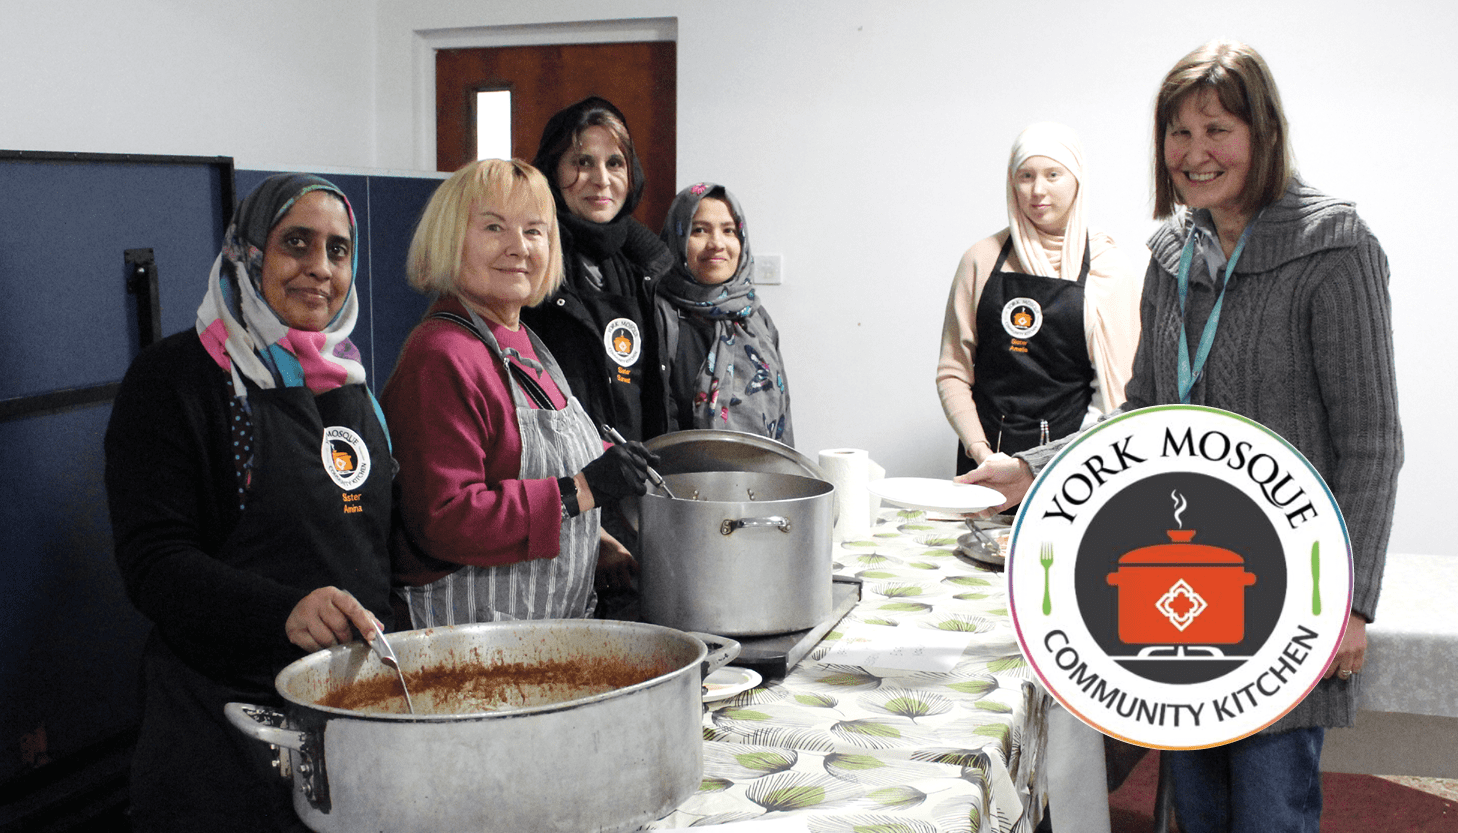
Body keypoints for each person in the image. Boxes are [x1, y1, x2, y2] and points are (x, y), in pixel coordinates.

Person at [962, 40, 1403, 832]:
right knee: (1196, 810)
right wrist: (1028, 469)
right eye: (1178, 133)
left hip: (1291, 593)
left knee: (1270, 811)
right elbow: (1141, 420)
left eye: (1217, 130)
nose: (1195, 154)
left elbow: (1372, 443)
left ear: (1263, 133)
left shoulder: (1334, 248)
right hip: (1184, 592)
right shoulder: (1172, 254)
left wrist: (1353, 601)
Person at [105, 174, 394, 832]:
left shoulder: (351, 384)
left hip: (344, 717)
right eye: (297, 243)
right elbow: (154, 563)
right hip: (219, 734)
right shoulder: (174, 379)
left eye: (339, 250)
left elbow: (371, 542)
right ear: (247, 252)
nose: (320, 267)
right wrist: (284, 611)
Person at [382, 159, 656, 627]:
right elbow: (444, 519)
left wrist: (595, 544)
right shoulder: (441, 355)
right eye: (494, 227)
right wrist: (581, 493)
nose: (519, 248)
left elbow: (543, 468)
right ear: (450, 238)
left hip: (537, 636)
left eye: (535, 231)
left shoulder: (526, 344)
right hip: (466, 645)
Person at [937, 122, 1145, 474]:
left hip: (1076, 469)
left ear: (1077, 179)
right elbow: (953, 371)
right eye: (1026, 175)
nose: (1037, 190)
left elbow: (1119, 389)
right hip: (987, 466)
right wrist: (981, 451)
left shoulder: (1109, 269)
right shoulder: (981, 260)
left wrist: (1069, 461)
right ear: (1011, 182)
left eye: (1053, 174)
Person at [520, 95, 674, 444]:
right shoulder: (528, 262)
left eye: (615, 163)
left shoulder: (645, 268)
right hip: (564, 478)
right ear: (552, 171)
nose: (601, 179)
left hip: (638, 474)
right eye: (583, 162)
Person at [656, 182, 793, 443]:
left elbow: (783, 415)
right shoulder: (659, 315)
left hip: (763, 478)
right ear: (678, 237)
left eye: (728, 230)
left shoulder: (757, 318)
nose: (717, 244)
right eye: (700, 230)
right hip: (681, 479)